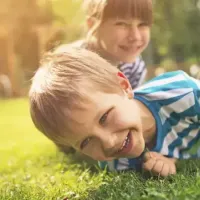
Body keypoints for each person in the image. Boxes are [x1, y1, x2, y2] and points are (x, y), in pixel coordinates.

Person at [29, 47, 200, 177]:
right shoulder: (115, 163)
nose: (109, 143)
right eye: (86, 141)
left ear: (124, 86)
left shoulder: (183, 93)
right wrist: (169, 159)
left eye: (104, 118)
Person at [55, 0, 153, 153]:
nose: (135, 36)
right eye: (122, 23)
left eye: (142, 24)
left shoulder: (134, 67)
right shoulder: (73, 61)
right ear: (92, 25)